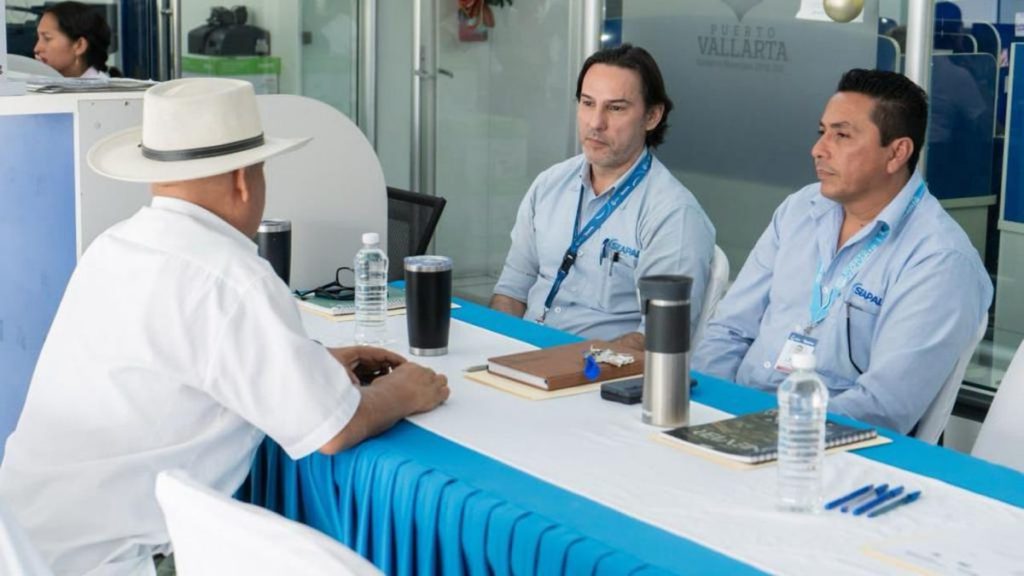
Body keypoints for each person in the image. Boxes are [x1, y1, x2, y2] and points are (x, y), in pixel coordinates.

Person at [0, 78, 449, 576]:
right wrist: (406, 390)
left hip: (26, 550)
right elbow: (335, 428)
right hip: (115, 566)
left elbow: (174, 368)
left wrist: (308, 363)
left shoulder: (115, 246)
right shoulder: (233, 276)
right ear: (243, 181)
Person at [693, 69, 992, 435]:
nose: (818, 149)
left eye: (842, 135)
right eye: (822, 132)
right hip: (728, 418)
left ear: (897, 153)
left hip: (819, 444)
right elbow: (729, 329)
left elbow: (883, 407)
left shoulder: (939, 259)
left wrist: (762, 430)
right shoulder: (801, 209)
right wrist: (708, 409)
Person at [490, 44, 714, 349]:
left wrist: (571, 364)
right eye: (587, 103)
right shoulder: (549, 185)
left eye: (616, 108)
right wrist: (498, 350)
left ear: (652, 116)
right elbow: (511, 292)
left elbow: (660, 335)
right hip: (521, 357)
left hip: (597, 370)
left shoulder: (674, 213)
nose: (595, 123)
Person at [34, 1, 119, 78]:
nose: (36, 49)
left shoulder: (99, 89)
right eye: (38, 38)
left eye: (47, 38)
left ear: (79, 46)